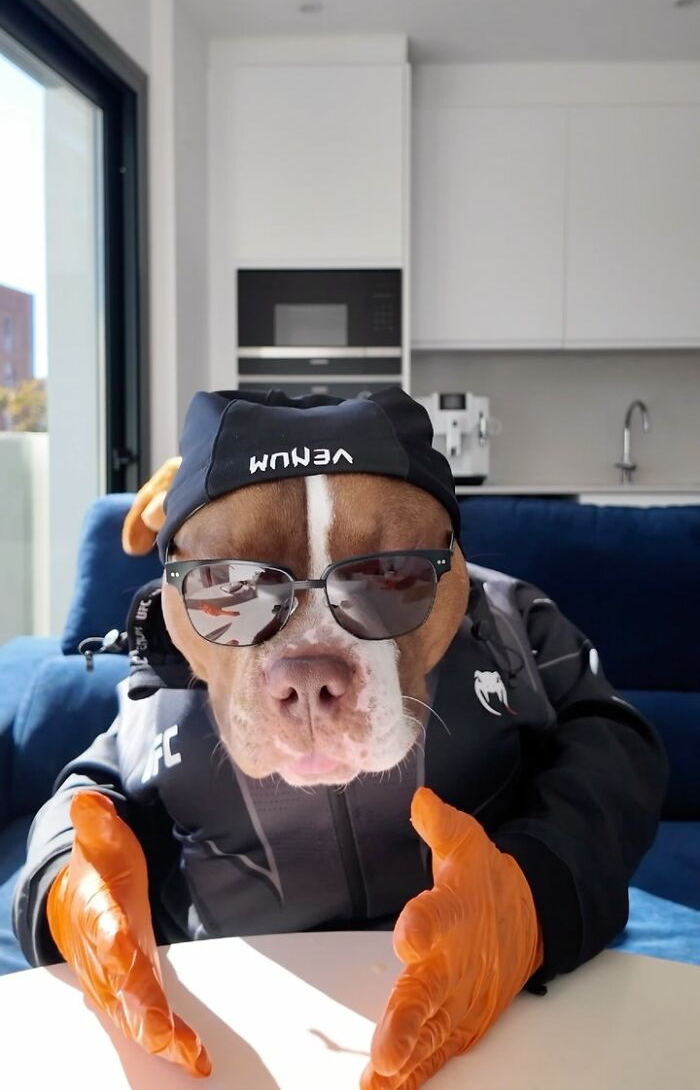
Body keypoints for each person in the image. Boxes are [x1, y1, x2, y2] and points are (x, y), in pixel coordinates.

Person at [13, 388, 669, 1087]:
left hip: (512, 1021)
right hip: (226, 1042)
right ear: (172, 581)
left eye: (390, 575)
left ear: (456, 558)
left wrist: (536, 898)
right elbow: (91, 791)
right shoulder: (169, 689)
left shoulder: (511, 623)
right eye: (230, 586)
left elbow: (616, 742)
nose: (307, 676)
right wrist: (65, 887)